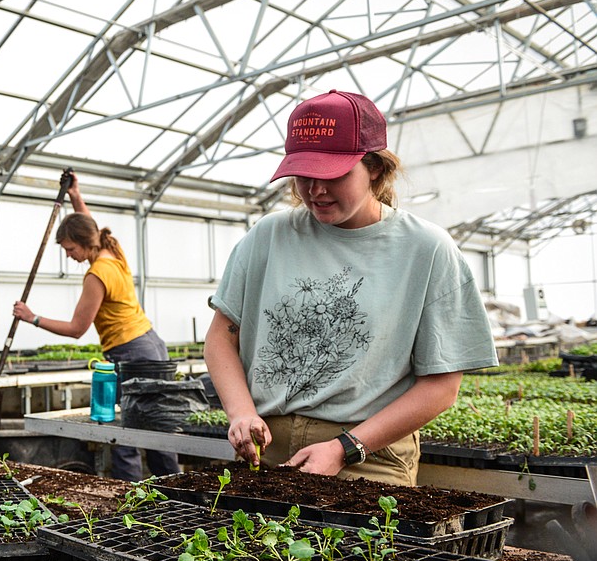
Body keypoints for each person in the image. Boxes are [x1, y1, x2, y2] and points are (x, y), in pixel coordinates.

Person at [204, 90, 497, 486]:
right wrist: (241, 412)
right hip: (267, 447)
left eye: (333, 174)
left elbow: (442, 385)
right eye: (304, 175)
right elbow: (222, 337)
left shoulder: (425, 249)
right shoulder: (269, 236)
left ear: (374, 167)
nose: (315, 190)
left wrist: (346, 447)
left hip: (369, 456)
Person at [12, 173, 180, 481]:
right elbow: (89, 224)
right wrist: (76, 196)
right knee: (157, 426)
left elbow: (77, 329)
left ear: (83, 243)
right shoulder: (111, 252)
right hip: (152, 345)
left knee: (125, 432)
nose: (68, 255)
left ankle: (129, 496)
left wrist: (32, 318)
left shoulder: (96, 276)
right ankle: (176, 490)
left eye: (69, 248)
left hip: (131, 353)